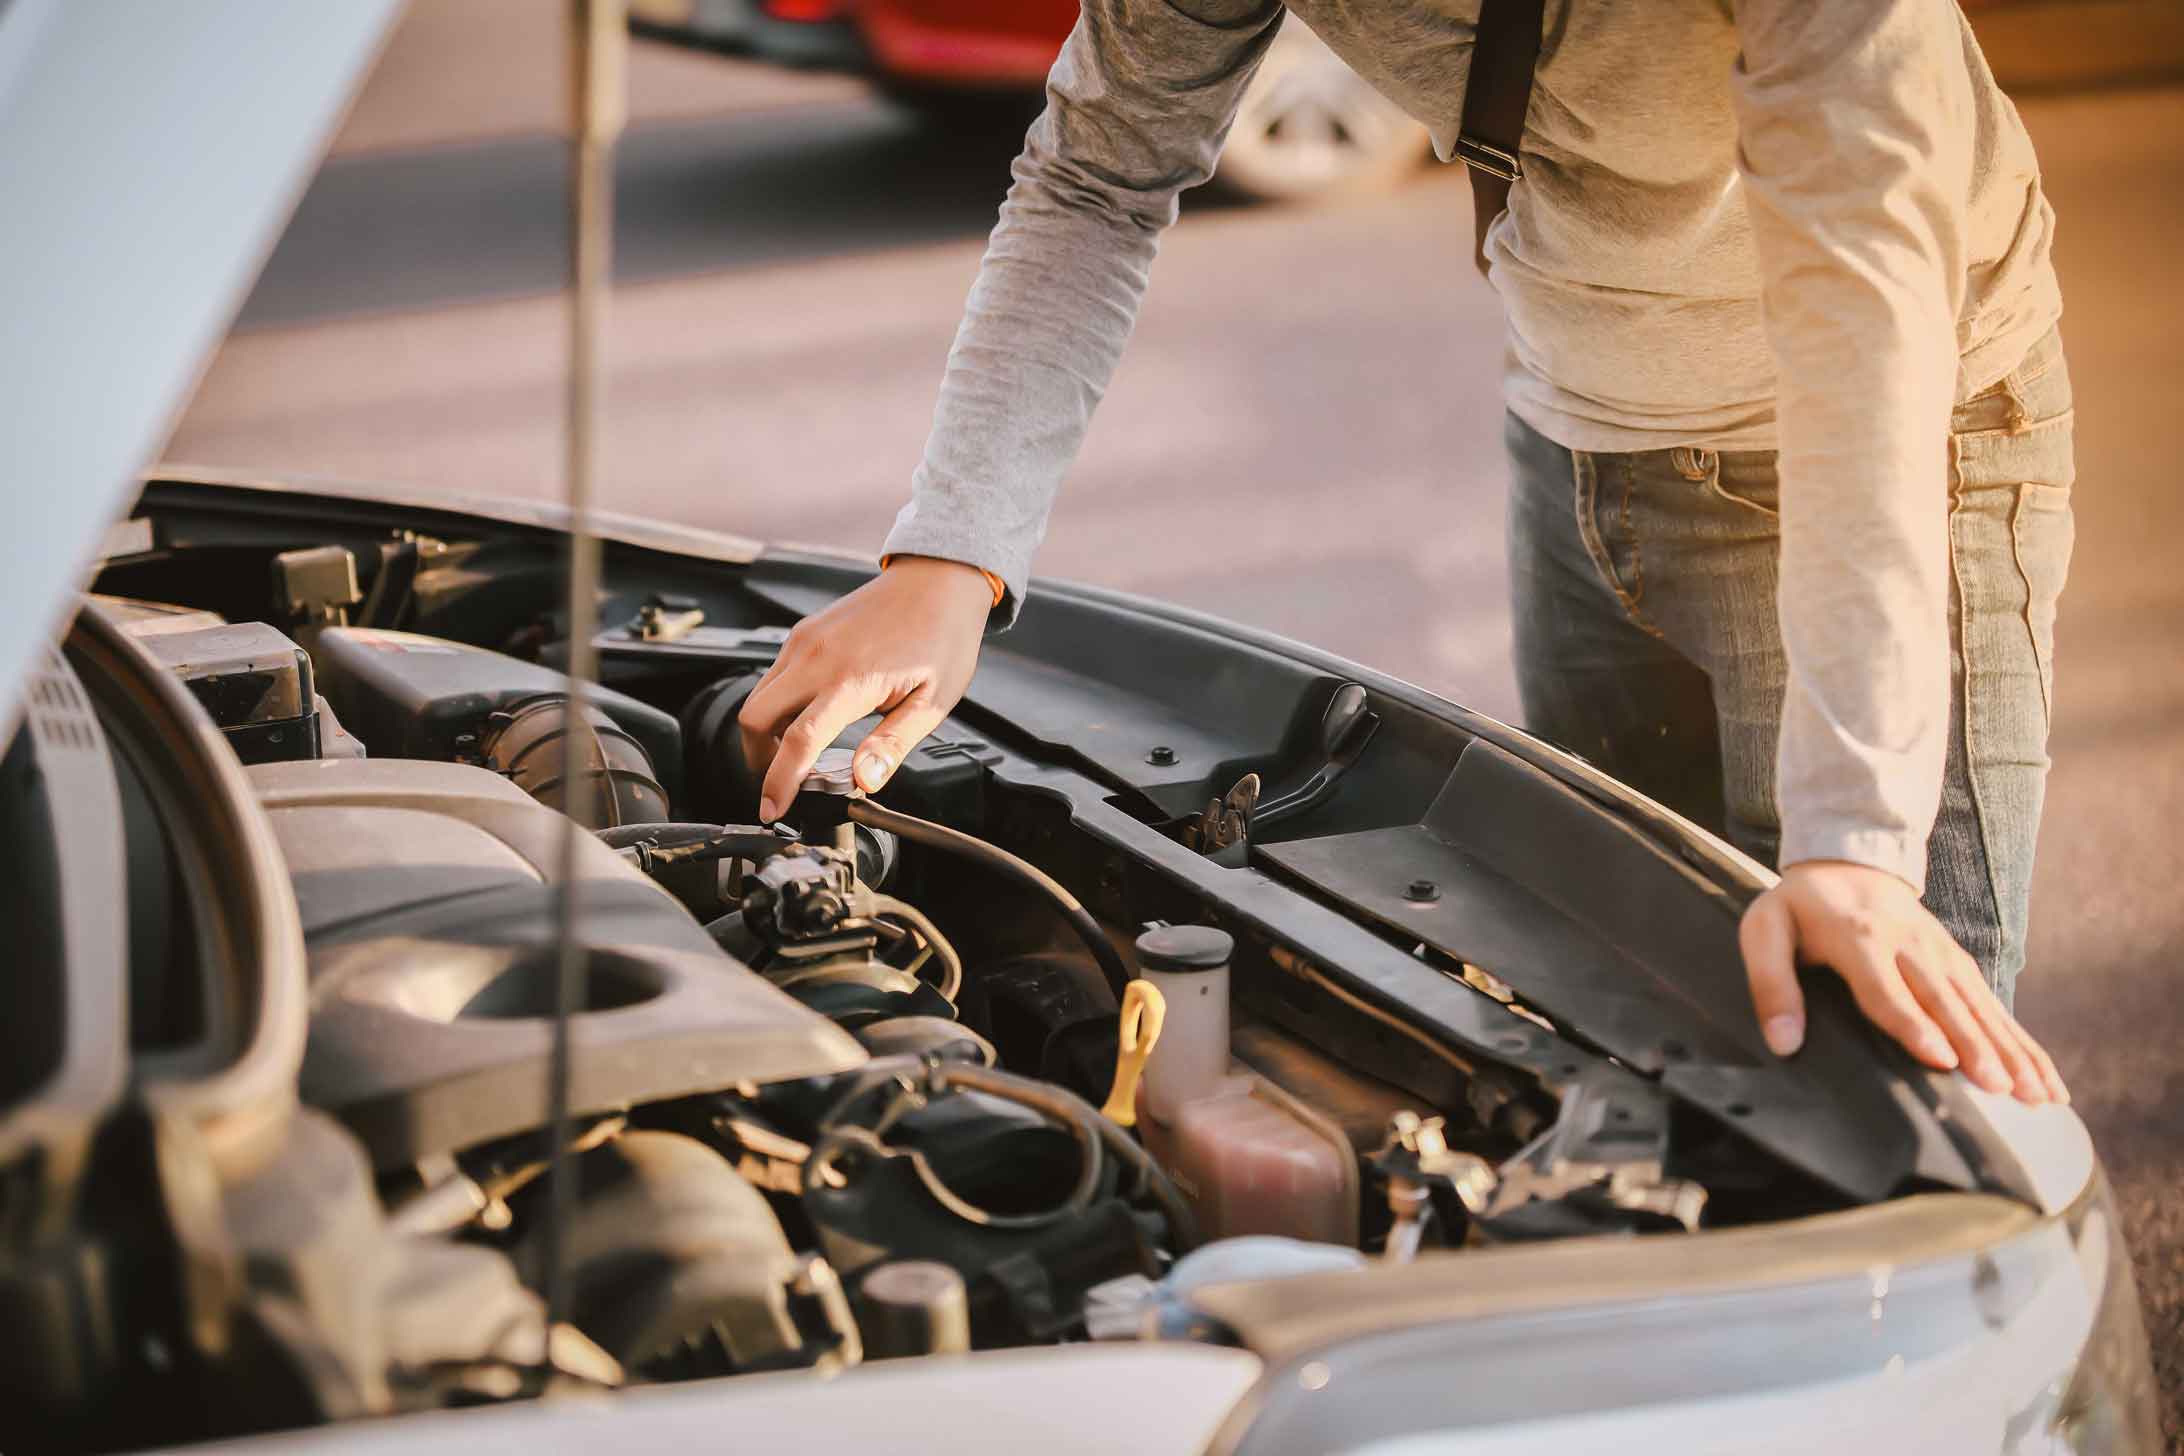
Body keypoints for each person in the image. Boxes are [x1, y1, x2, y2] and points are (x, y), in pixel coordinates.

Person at [739, 0, 2072, 1105]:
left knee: (1888, 1088)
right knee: (1624, 1051)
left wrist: (1853, 835)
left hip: (1894, 447)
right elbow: (1097, 172)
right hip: (1576, 429)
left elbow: (1870, 306)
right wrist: (948, 563)